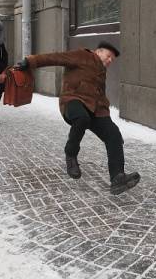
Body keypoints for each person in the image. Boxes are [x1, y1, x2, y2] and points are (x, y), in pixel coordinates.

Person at [16, 42, 140, 195]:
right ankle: (71, 154)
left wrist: (107, 120)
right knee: (82, 118)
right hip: (72, 101)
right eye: (108, 57)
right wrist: (29, 61)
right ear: (98, 52)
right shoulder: (82, 56)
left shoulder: (101, 70)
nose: (109, 61)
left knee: (113, 134)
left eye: (112, 60)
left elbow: (100, 96)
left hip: (95, 109)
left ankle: (117, 178)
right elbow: (55, 58)